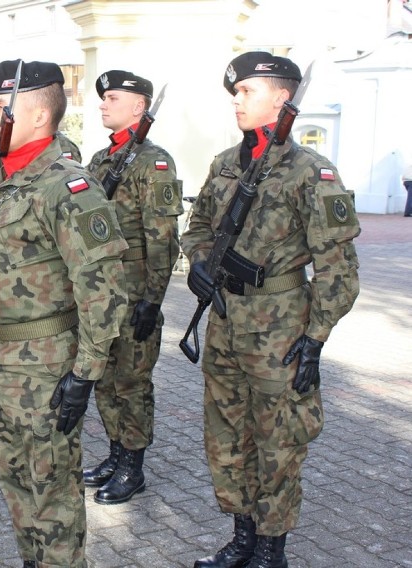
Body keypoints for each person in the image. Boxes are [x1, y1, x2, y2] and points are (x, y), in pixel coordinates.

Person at [182, 52, 360, 568]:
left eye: (246, 92)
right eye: (234, 93)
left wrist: (316, 337)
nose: (236, 101)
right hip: (224, 320)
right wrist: (198, 263)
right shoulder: (224, 164)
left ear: (282, 98)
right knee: (226, 432)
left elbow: (339, 268)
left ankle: (270, 547)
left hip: (280, 324)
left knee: (278, 439)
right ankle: (242, 535)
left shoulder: (312, 172)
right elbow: (196, 229)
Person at [0, 60, 129, 567]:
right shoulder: (2, 176)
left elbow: (104, 292)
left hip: (44, 365)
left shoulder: (68, 188)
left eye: (1, 108)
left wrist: (84, 375)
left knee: (51, 491)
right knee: (14, 480)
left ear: (39, 115)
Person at [82, 70, 183, 505]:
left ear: (140, 107)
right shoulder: (101, 159)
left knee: (133, 382)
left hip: (135, 290)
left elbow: (163, 237)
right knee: (103, 379)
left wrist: (152, 299)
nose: (104, 104)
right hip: (100, 293)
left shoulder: (154, 162)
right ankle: (115, 452)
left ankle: (133, 466)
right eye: (103, 97)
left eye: (114, 98)